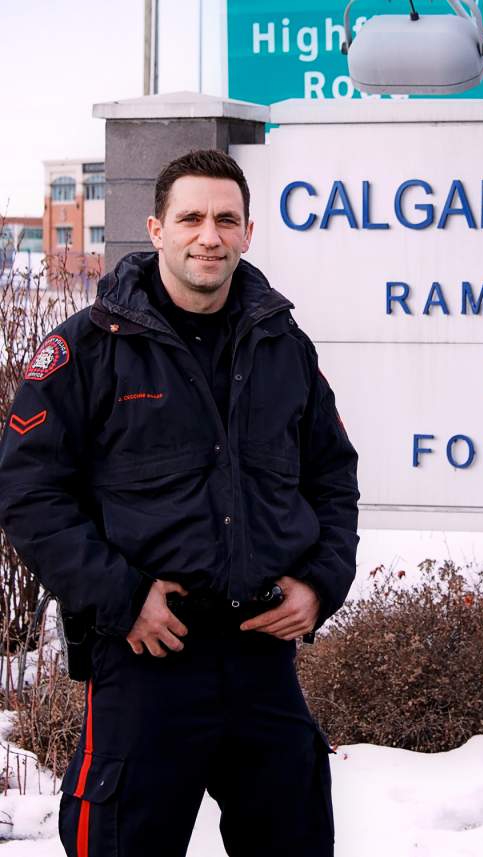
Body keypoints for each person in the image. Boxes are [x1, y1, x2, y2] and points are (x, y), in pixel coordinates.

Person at [0, 149, 359, 857]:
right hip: (148, 653)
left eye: (226, 219)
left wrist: (321, 581)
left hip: (263, 657)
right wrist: (120, 595)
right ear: (156, 229)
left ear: (248, 233)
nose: (209, 234)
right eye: (191, 217)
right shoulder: (90, 351)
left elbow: (333, 478)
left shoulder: (283, 347)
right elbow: (27, 488)